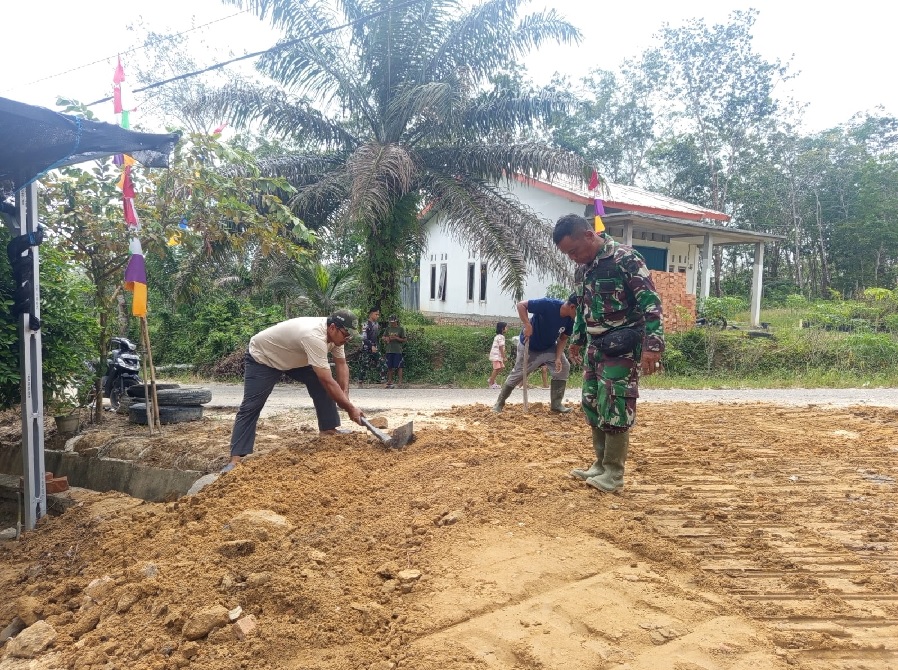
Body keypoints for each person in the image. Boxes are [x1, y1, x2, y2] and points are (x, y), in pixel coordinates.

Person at [552, 213, 664, 493]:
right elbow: (582, 307)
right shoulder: (583, 269)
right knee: (592, 402)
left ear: (589, 235)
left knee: (615, 403)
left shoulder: (626, 259)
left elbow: (651, 303)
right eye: (567, 254)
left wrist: (653, 345)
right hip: (595, 345)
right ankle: (600, 464)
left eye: (574, 251)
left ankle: (614, 473)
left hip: (623, 344)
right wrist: (577, 338)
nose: (573, 258)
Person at [223, 309, 365, 472]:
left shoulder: (336, 337)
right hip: (264, 357)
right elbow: (327, 380)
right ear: (333, 327)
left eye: (350, 336)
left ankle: (328, 429)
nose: (347, 339)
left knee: (322, 386)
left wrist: (345, 398)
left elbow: (341, 364)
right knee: (251, 405)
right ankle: (235, 459)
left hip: (295, 358)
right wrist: (350, 408)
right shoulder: (314, 336)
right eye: (346, 335)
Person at [492, 297, 578, 413]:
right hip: (529, 346)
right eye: (580, 310)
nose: (581, 315)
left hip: (549, 347)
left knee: (564, 367)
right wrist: (527, 325)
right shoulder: (548, 304)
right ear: (572, 307)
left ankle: (556, 405)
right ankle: (499, 403)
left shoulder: (570, 320)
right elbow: (521, 305)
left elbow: (563, 339)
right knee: (517, 374)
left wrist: (558, 358)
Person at [358, 308, 382, 385]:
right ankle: (360, 382)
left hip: (375, 348)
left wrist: (375, 346)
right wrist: (371, 346)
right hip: (366, 348)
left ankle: (384, 381)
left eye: (378, 314)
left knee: (381, 363)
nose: (378, 316)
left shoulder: (376, 324)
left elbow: (376, 337)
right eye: (376, 314)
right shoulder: (365, 324)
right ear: (371, 314)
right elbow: (364, 338)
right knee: (364, 365)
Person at [382, 314, 407, 388]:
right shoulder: (388, 329)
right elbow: (383, 337)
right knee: (389, 366)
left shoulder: (400, 329)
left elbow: (404, 339)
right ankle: (390, 380)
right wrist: (386, 338)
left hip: (397, 350)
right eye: (391, 322)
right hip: (389, 350)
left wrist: (396, 338)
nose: (392, 323)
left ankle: (400, 381)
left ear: (396, 321)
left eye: (393, 322)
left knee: (399, 366)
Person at [488, 322, 508, 389]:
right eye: (506, 327)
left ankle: (491, 379)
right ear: (502, 329)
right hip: (496, 355)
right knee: (496, 368)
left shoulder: (498, 336)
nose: (507, 328)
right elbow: (501, 347)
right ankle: (491, 383)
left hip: (498, 355)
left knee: (500, 367)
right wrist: (504, 357)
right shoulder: (501, 337)